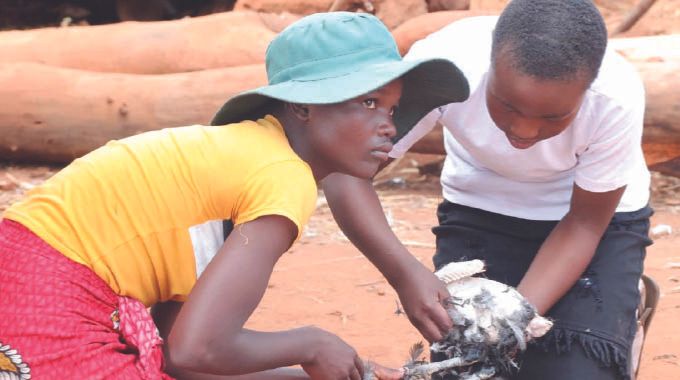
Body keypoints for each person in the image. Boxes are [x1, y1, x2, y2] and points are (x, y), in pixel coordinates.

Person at [0, 12, 469, 380]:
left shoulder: (236, 163)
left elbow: (183, 359)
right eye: (367, 102)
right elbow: (195, 350)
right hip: (45, 297)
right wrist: (312, 344)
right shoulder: (282, 175)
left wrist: (334, 372)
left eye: (390, 107)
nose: (388, 124)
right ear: (303, 106)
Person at [321, 1, 652, 379]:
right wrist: (404, 273)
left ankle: (619, 311)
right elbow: (344, 170)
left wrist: (511, 319)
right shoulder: (445, 66)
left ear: (587, 90)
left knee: (571, 369)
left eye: (553, 116)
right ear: (488, 67)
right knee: (474, 368)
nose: (524, 132)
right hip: (481, 208)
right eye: (507, 105)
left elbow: (584, 224)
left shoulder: (615, 95)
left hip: (592, 221)